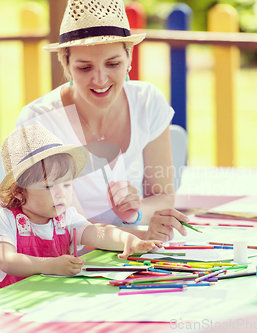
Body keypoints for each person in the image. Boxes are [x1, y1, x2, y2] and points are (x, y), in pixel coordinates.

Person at [16, 0, 189, 241]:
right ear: (66, 66)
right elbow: (65, 226)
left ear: (129, 59)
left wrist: (135, 213)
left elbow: (163, 197)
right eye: (85, 68)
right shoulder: (38, 121)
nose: (100, 79)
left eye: (113, 64)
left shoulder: (148, 101)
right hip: (67, 265)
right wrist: (135, 237)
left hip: (132, 257)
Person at [0, 125, 162, 291]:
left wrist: (126, 240)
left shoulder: (66, 218)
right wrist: (51, 265)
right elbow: (7, 260)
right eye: (48, 186)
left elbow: (98, 234)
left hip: (53, 299)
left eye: (67, 185)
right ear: (18, 191)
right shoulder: (4, 219)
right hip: (10, 305)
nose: (61, 194)